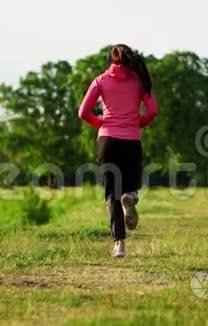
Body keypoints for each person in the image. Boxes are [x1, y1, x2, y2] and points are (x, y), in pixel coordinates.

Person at [78, 44, 159, 257]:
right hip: (131, 140)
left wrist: (101, 124)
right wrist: (137, 123)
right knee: (129, 186)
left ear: (111, 60)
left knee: (112, 194)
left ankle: (119, 245)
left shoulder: (100, 80)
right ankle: (130, 196)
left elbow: (83, 112)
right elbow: (153, 110)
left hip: (108, 142)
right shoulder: (139, 81)